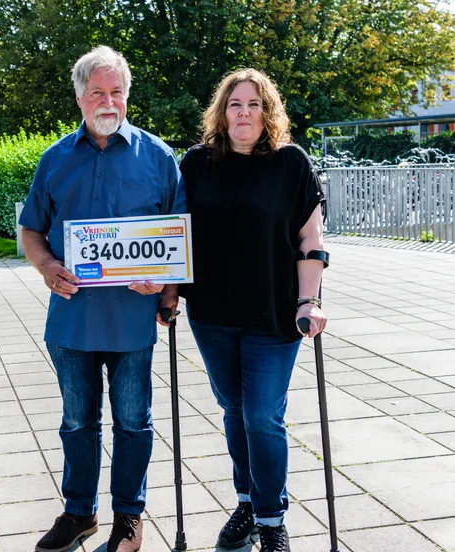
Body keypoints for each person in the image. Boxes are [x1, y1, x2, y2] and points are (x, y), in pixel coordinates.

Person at [20, 46, 186, 552]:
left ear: (127, 95)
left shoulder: (158, 157)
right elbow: (31, 230)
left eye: (117, 92)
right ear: (80, 98)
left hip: (133, 319)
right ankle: (79, 513)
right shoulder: (54, 159)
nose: (108, 101)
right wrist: (47, 266)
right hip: (72, 319)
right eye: (98, 92)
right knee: (77, 422)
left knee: (134, 421)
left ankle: (128, 516)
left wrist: (167, 289)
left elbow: (179, 238)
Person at [178, 68, 327, 552]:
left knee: (263, 416)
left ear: (269, 113)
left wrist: (310, 301)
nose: (244, 113)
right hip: (212, 313)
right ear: (222, 112)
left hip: (274, 313)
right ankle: (247, 502)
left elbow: (311, 240)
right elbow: (173, 234)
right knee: (234, 410)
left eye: (254, 104)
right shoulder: (197, 164)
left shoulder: (291, 164)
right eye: (235, 104)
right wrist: (165, 294)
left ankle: (271, 518)